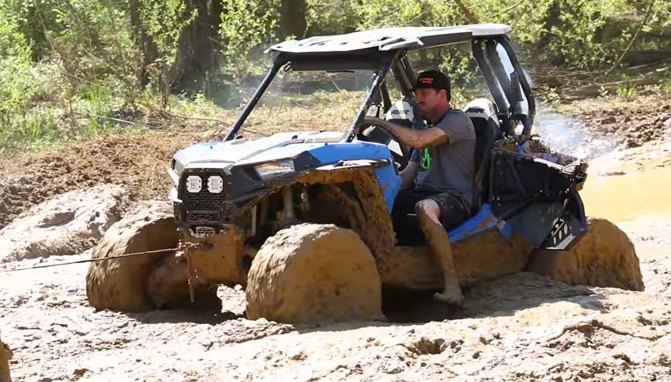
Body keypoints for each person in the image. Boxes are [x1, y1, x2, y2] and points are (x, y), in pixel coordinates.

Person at [366, 70, 476, 305]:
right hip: (423, 193)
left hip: (454, 197)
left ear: (443, 95)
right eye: (417, 94)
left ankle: (452, 286)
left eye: (425, 94)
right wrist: (377, 193)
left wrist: (378, 123)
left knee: (425, 208)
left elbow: (418, 140)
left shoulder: (457, 121)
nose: (419, 100)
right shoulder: (429, 128)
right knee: (373, 207)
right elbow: (408, 176)